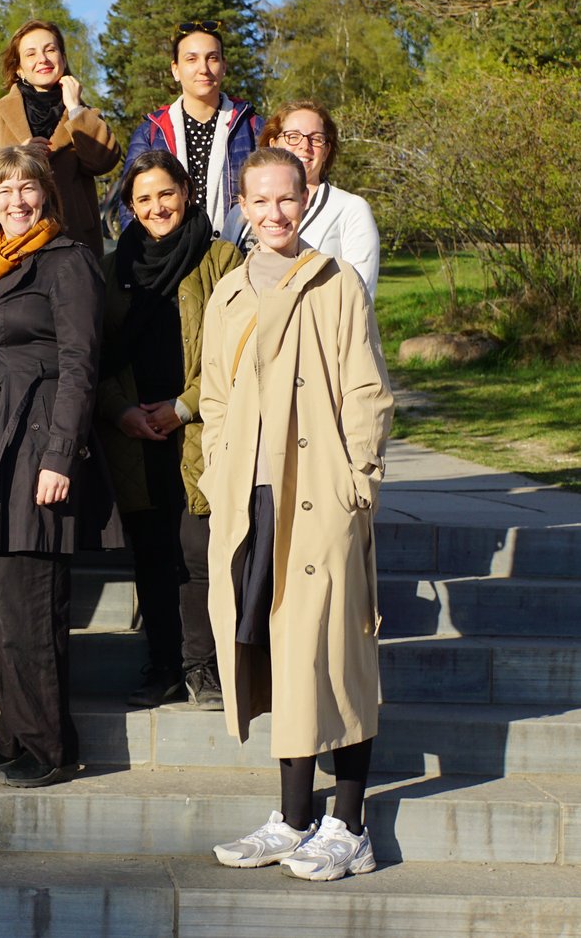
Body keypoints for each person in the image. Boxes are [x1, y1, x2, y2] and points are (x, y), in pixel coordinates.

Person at [199, 148, 393, 880]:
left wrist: (358, 484)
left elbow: (367, 389)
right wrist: (222, 473)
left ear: (306, 199)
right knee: (277, 652)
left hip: (321, 495)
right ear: (241, 205)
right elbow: (214, 397)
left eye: (288, 198)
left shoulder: (336, 283)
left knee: (336, 651)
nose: (275, 213)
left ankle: (350, 822)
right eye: (260, 201)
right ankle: (292, 814)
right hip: (253, 499)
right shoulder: (229, 294)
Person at [0, 145, 122, 788]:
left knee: (32, 605)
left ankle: (48, 747)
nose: (16, 200)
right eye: (3, 188)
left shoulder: (67, 262)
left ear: (47, 195)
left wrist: (59, 455)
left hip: (38, 439)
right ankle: (14, 733)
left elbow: (80, 365)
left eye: (28, 188)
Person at [96, 151, 241, 709]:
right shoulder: (115, 269)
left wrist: (181, 407)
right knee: (153, 557)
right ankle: (161, 664)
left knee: (197, 558)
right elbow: (96, 358)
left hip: (201, 434)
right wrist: (121, 412)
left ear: (186, 191)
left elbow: (239, 355)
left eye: (166, 193)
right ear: (130, 208)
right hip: (135, 437)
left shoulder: (223, 260)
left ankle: (203, 668)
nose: (157, 207)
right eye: (143, 199)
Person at [222, 100, 380, 298]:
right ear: (273, 143)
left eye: (316, 139)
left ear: (326, 151)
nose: (305, 146)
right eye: (293, 136)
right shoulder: (239, 212)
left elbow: (360, 296)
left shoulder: (350, 209)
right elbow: (225, 281)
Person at [0, 21, 121, 255]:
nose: (43, 59)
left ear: (63, 57)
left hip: (74, 239)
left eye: (50, 50)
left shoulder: (85, 113)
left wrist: (75, 109)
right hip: (15, 240)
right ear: (18, 68)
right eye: (31, 53)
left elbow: (104, 162)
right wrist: (18, 156)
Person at [123, 21, 263, 235]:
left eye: (212, 58)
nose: (203, 69)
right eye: (191, 59)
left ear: (224, 66)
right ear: (175, 69)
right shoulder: (151, 132)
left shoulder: (252, 126)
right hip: (171, 259)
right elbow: (129, 204)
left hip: (238, 257)